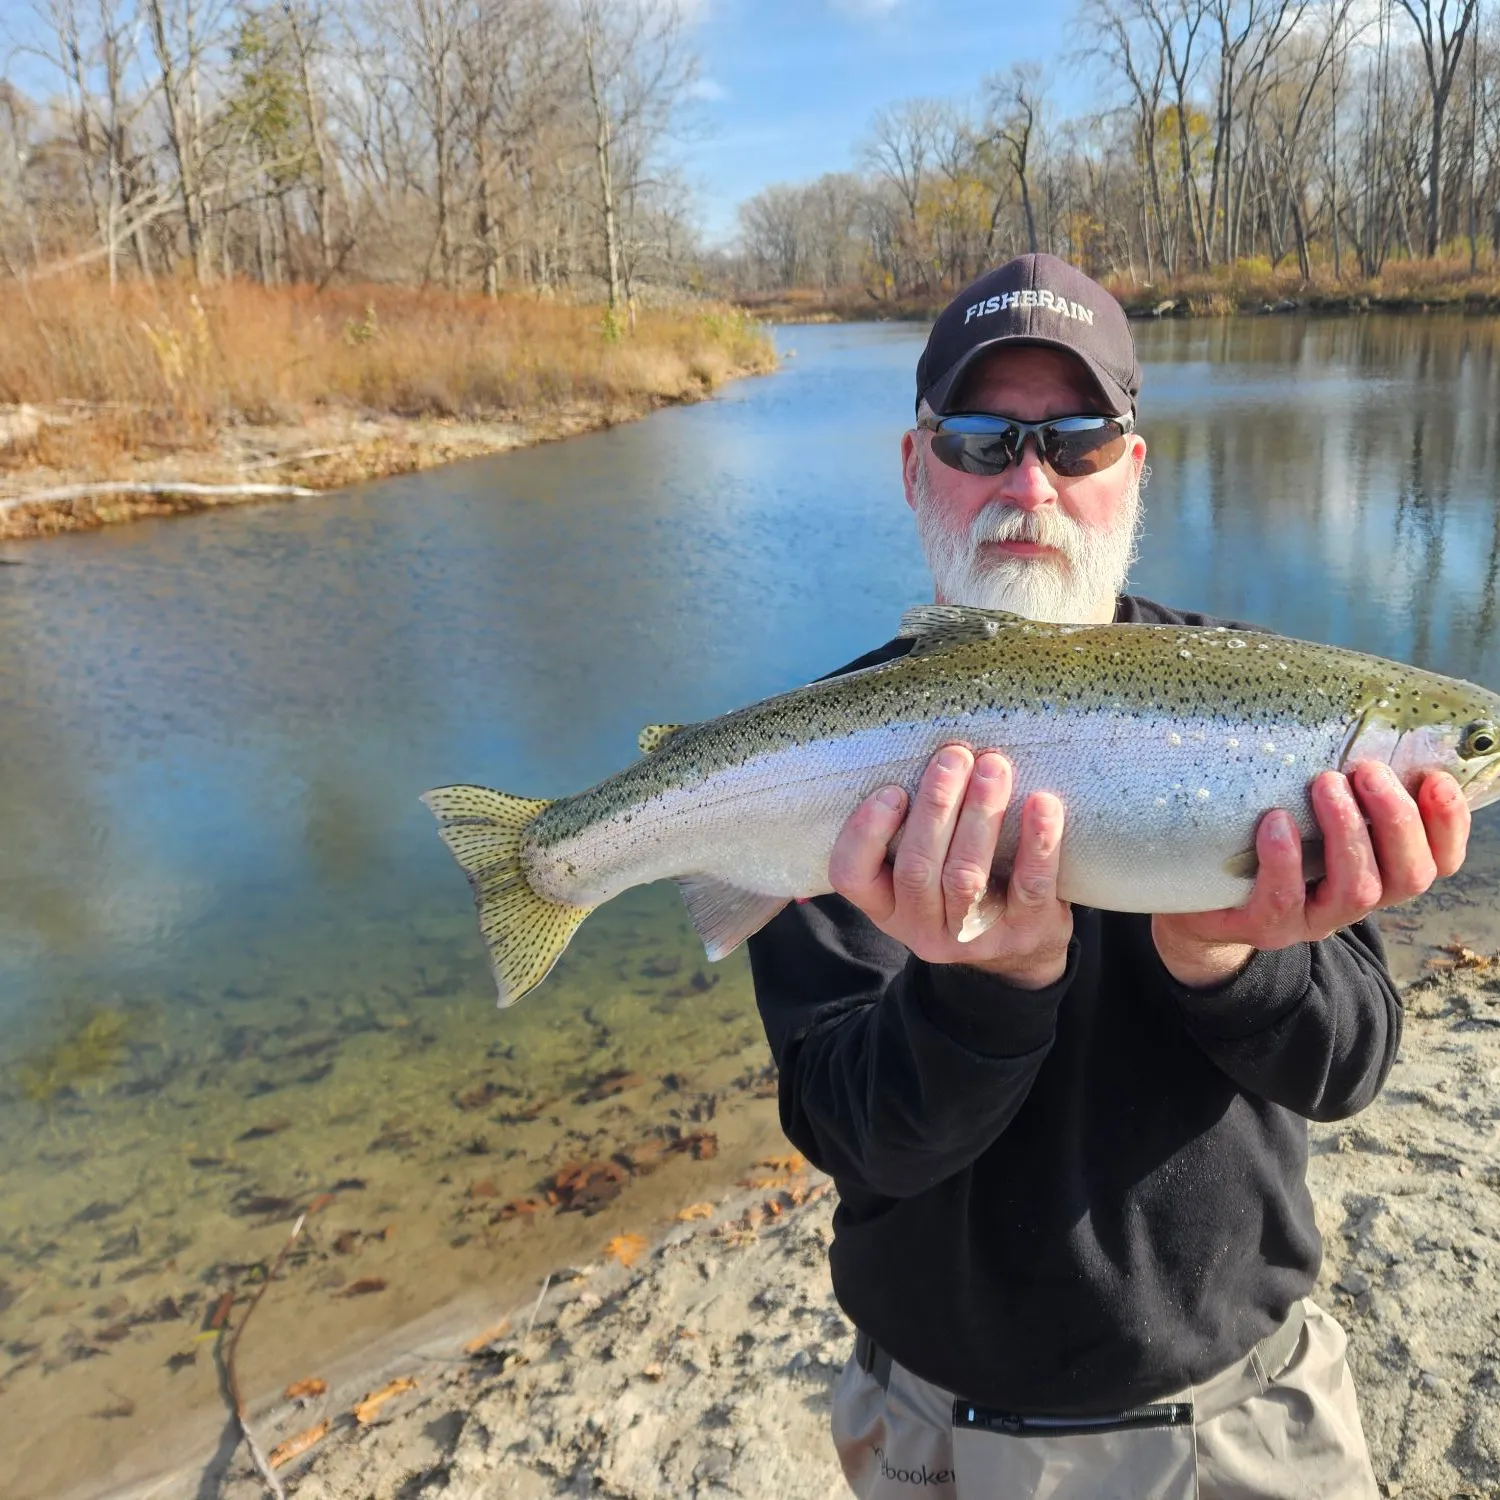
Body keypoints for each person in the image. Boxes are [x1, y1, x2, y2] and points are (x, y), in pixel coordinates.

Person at [745, 253, 1472, 1499]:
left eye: (1076, 441)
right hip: (932, 1437)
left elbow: (1350, 1070)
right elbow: (851, 1134)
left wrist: (1231, 959)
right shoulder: (823, 757)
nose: (1029, 482)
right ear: (916, 470)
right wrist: (988, 989)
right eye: (981, 440)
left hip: (1249, 1419)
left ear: (1132, 471)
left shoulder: (1268, 710)